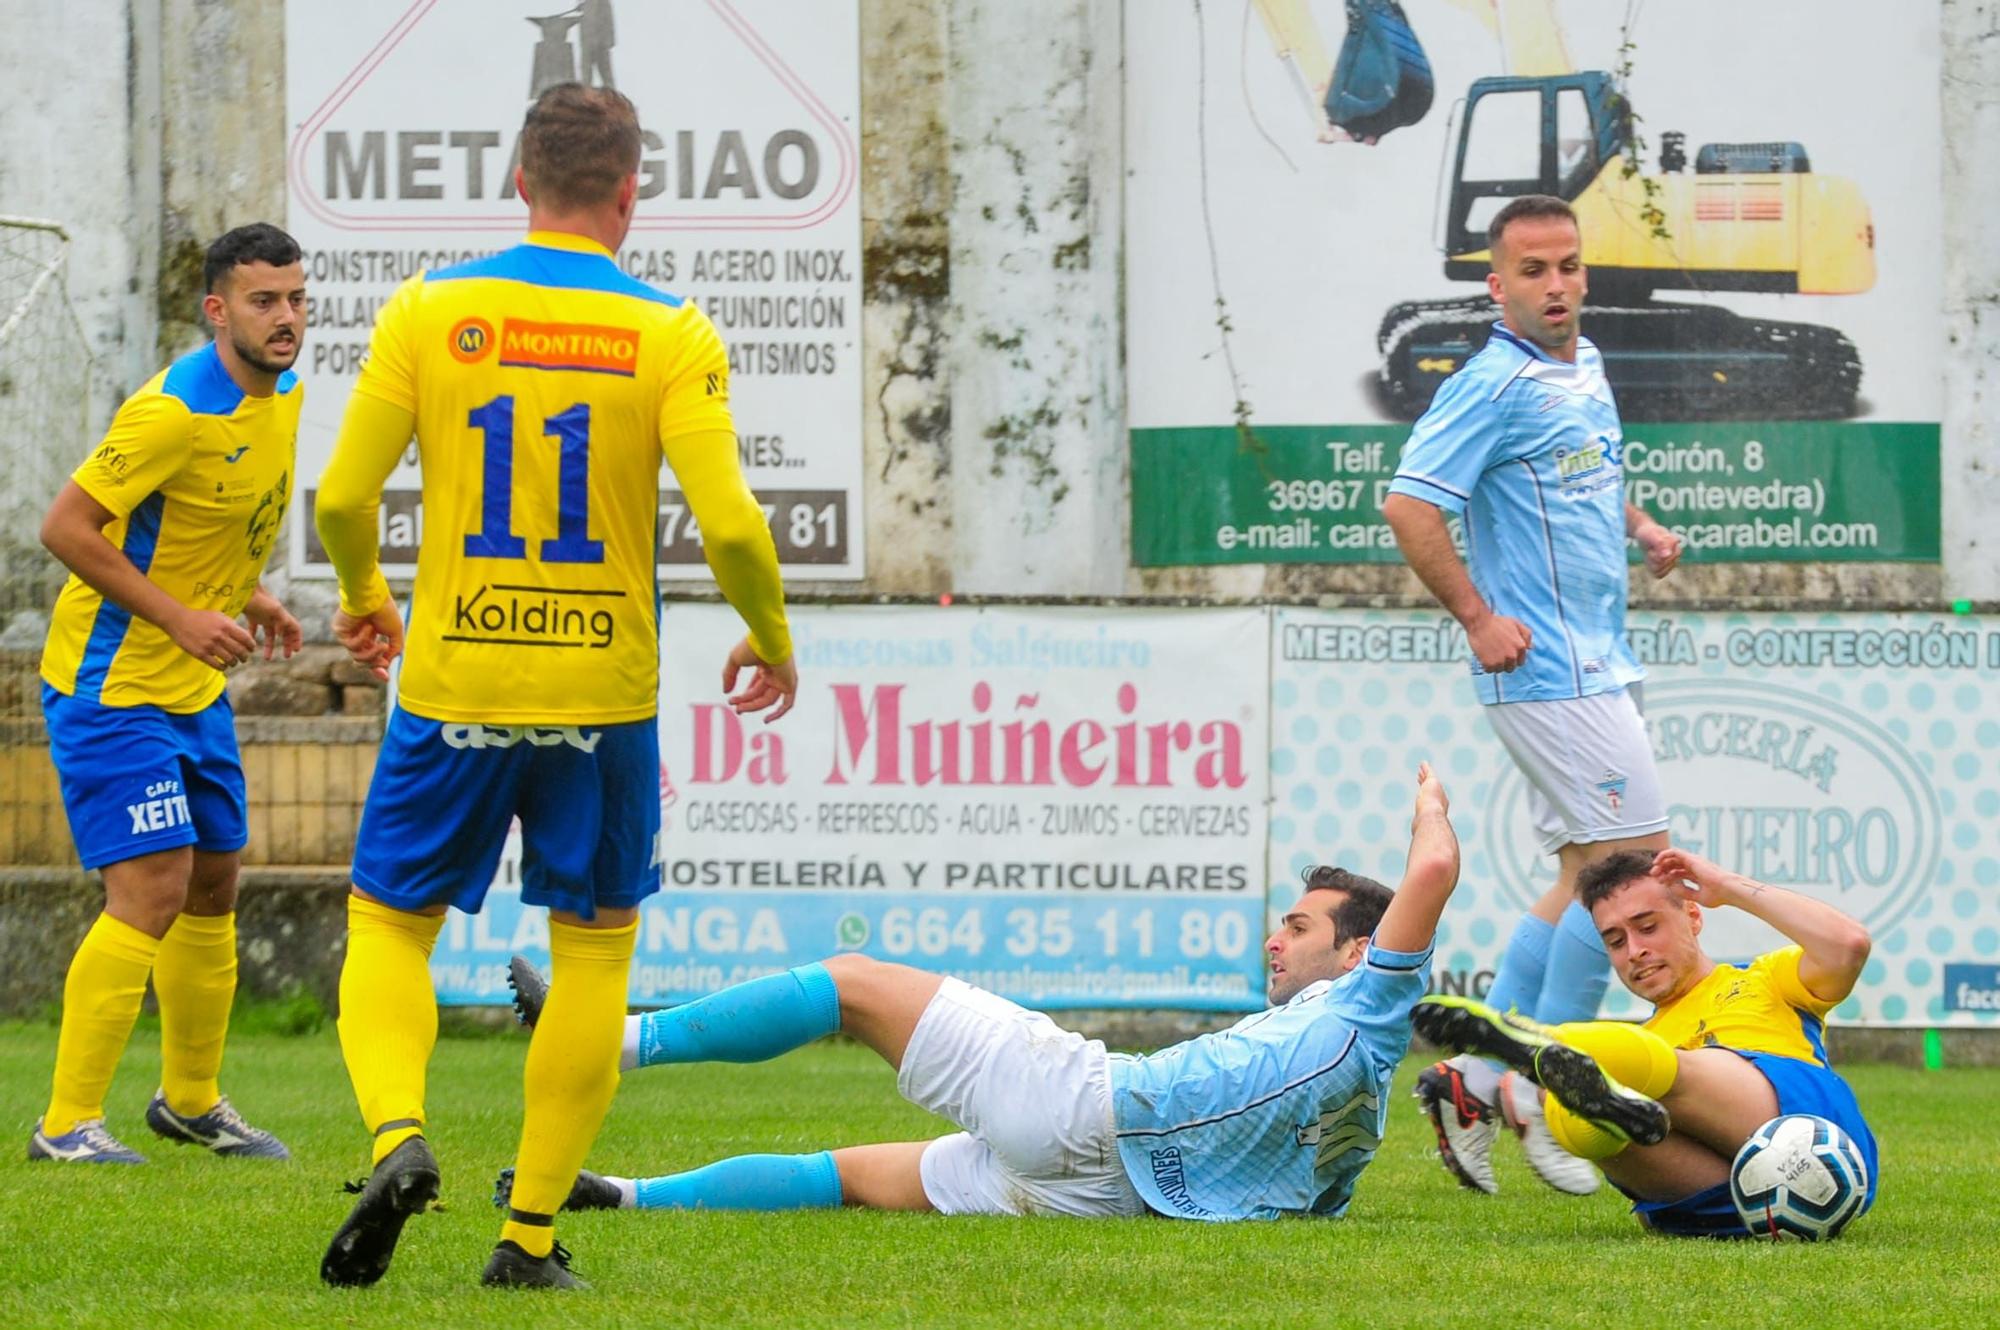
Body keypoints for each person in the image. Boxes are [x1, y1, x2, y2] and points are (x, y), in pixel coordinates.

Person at [313, 82, 796, 1290]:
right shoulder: (670, 329)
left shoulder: (430, 310)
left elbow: (339, 498)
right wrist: (769, 636)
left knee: (387, 925)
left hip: (454, 675)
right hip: (602, 692)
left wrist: (368, 591)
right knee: (590, 960)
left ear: (516, 182)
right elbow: (732, 524)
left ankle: (395, 1136)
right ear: (630, 194)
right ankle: (525, 1238)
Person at [495, 765, 1460, 1223]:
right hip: (1111, 1201)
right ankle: (621, 1196)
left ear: (1360, 954)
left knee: (851, 981)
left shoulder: (1365, 1006)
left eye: (1298, 926)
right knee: (850, 1177)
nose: (1274, 937)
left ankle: (610, 1041)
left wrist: (1427, 806)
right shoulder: (1361, 1106)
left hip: (1087, 1106)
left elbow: (1435, 870)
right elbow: (1313, 1202)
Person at [1380, 193, 1684, 1198]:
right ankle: (1541, 1084)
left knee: (1578, 876)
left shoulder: (1580, 366)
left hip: (1596, 658)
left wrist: (1637, 525)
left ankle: (1472, 1081)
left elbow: (1586, 472)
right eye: (1532, 271)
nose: (1554, 286)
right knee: (1630, 874)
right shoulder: (1491, 382)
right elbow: (1409, 502)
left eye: (1567, 266)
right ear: (1495, 284)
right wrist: (1474, 614)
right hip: (1546, 671)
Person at [29, 224, 305, 1167]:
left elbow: (200, 520)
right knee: (150, 886)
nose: (287, 319)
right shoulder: (171, 411)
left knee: (216, 879)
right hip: (112, 685)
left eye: (298, 299)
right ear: (216, 309)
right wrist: (183, 616)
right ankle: (65, 1125)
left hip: (191, 687)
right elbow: (65, 528)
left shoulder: (285, 395)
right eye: (265, 301)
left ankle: (191, 1101)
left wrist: (249, 594)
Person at [1413, 846, 1878, 1237]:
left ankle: (1541, 1046)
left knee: (1651, 1065)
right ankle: (1569, 1089)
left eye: (1647, 926)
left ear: (1693, 916)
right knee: (1580, 1117)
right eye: (1615, 940)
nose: (1634, 950)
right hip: (1724, 1202)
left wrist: (1729, 887)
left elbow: (1848, 944)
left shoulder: (1764, 979)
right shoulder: (1638, 1039)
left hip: (1812, 1132)